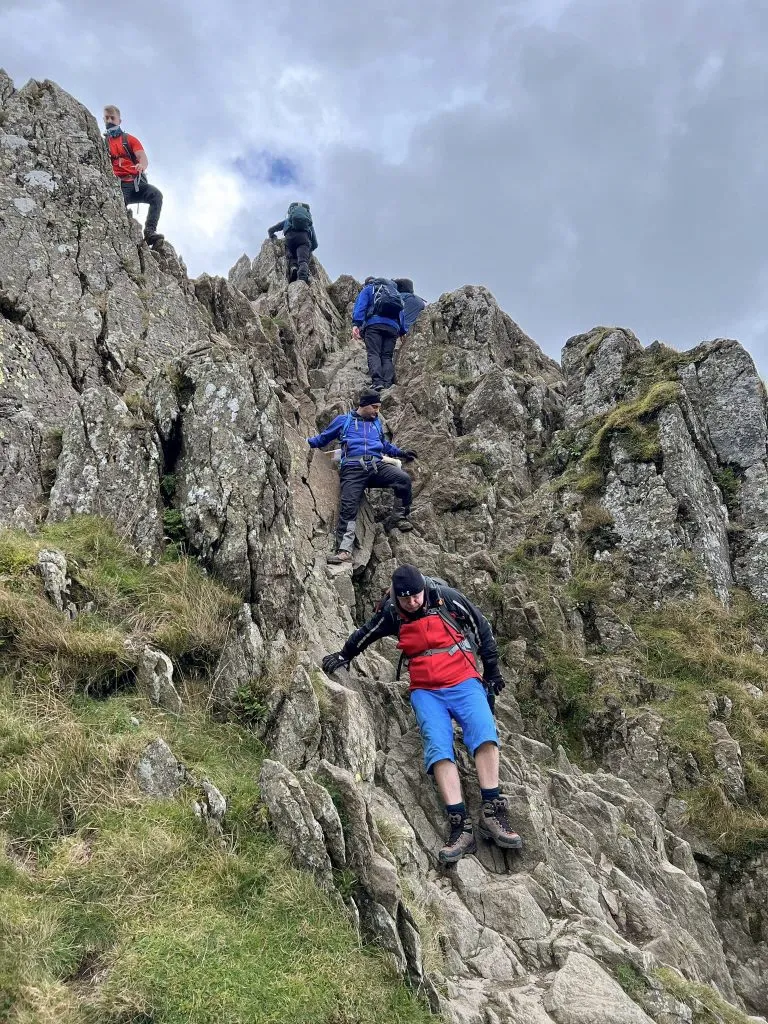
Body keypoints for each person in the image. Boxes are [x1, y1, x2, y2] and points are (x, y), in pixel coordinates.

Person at [321, 564, 521, 864]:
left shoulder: (446, 598)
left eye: (415, 596)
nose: (412, 602)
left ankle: (493, 812)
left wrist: (492, 670)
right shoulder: (392, 612)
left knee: (484, 734)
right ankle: (460, 828)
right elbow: (367, 633)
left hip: (464, 680)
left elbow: (481, 627)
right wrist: (344, 655)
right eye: (405, 599)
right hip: (426, 690)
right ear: (396, 598)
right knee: (438, 749)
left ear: (422, 589)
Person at [307, 389, 417, 564]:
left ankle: (399, 518)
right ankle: (344, 550)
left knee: (402, 479)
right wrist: (303, 443)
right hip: (352, 468)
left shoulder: (376, 423)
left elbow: (382, 444)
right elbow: (322, 439)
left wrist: (401, 453)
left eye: (379, 407)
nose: (377, 411)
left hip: (376, 466)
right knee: (349, 505)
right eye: (374, 406)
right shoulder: (344, 421)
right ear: (364, 404)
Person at [103, 105, 164, 247]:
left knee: (156, 196)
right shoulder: (104, 143)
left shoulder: (129, 139)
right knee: (118, 209)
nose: (110, 120)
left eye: (113, 118)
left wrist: (141, 165)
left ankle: (150, 232)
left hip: (136, 184)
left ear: (119, 121)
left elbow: (142, 157)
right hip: (120, 185)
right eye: (107, 118)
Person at [352, 278, 407, 392]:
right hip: (393, 328)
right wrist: (402, 331)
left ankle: (377, 382)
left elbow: (361, 306)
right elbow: (401, 313)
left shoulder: (369, 289)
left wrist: (357, 324)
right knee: (387, 356)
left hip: (374, 324)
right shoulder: (394, 293)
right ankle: (387, 383)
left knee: (374, 353)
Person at [267, 202, 318, 283]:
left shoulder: (287, 221)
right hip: (303, 239)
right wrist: (309, 249)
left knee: (292, 256)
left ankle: (293, 268)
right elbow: (315, 243)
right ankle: (302, 279)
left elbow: (271, 230)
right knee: (303, 260)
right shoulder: (308, 224)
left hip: (290, 240)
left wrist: (272, 236)